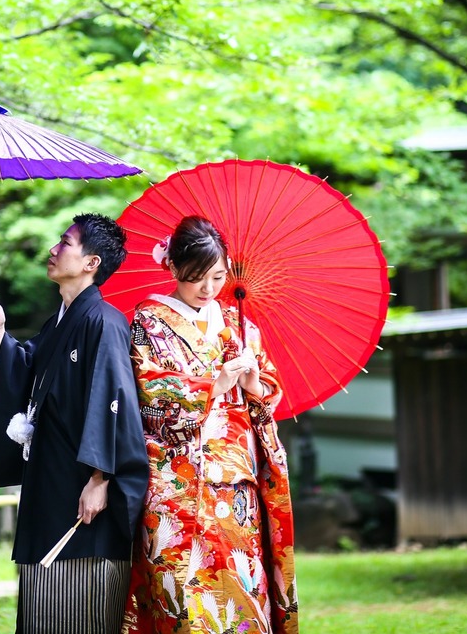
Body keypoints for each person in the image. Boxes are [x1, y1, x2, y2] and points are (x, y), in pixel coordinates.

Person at [0, 213, 149, 634]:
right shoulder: (61, 321)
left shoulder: (104, 321)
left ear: (91, 262)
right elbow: (27, 367)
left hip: (82, 485)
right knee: (42, 610)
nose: (54, 250)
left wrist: (101, 478)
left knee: (80, 607)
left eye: (65, 243)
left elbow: (113, 400)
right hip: (49, 478)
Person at [122, 215, 298, 634]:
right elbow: (149, 391)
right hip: (178, 478)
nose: (207, 289)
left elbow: (269, 392)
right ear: (172, 268)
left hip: (237, 475)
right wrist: (212, 384)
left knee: (242, 578)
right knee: (179, 586)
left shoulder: (241, 326)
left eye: (217, 277)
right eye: (194, 278)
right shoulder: (149, 321)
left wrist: (256, 383)